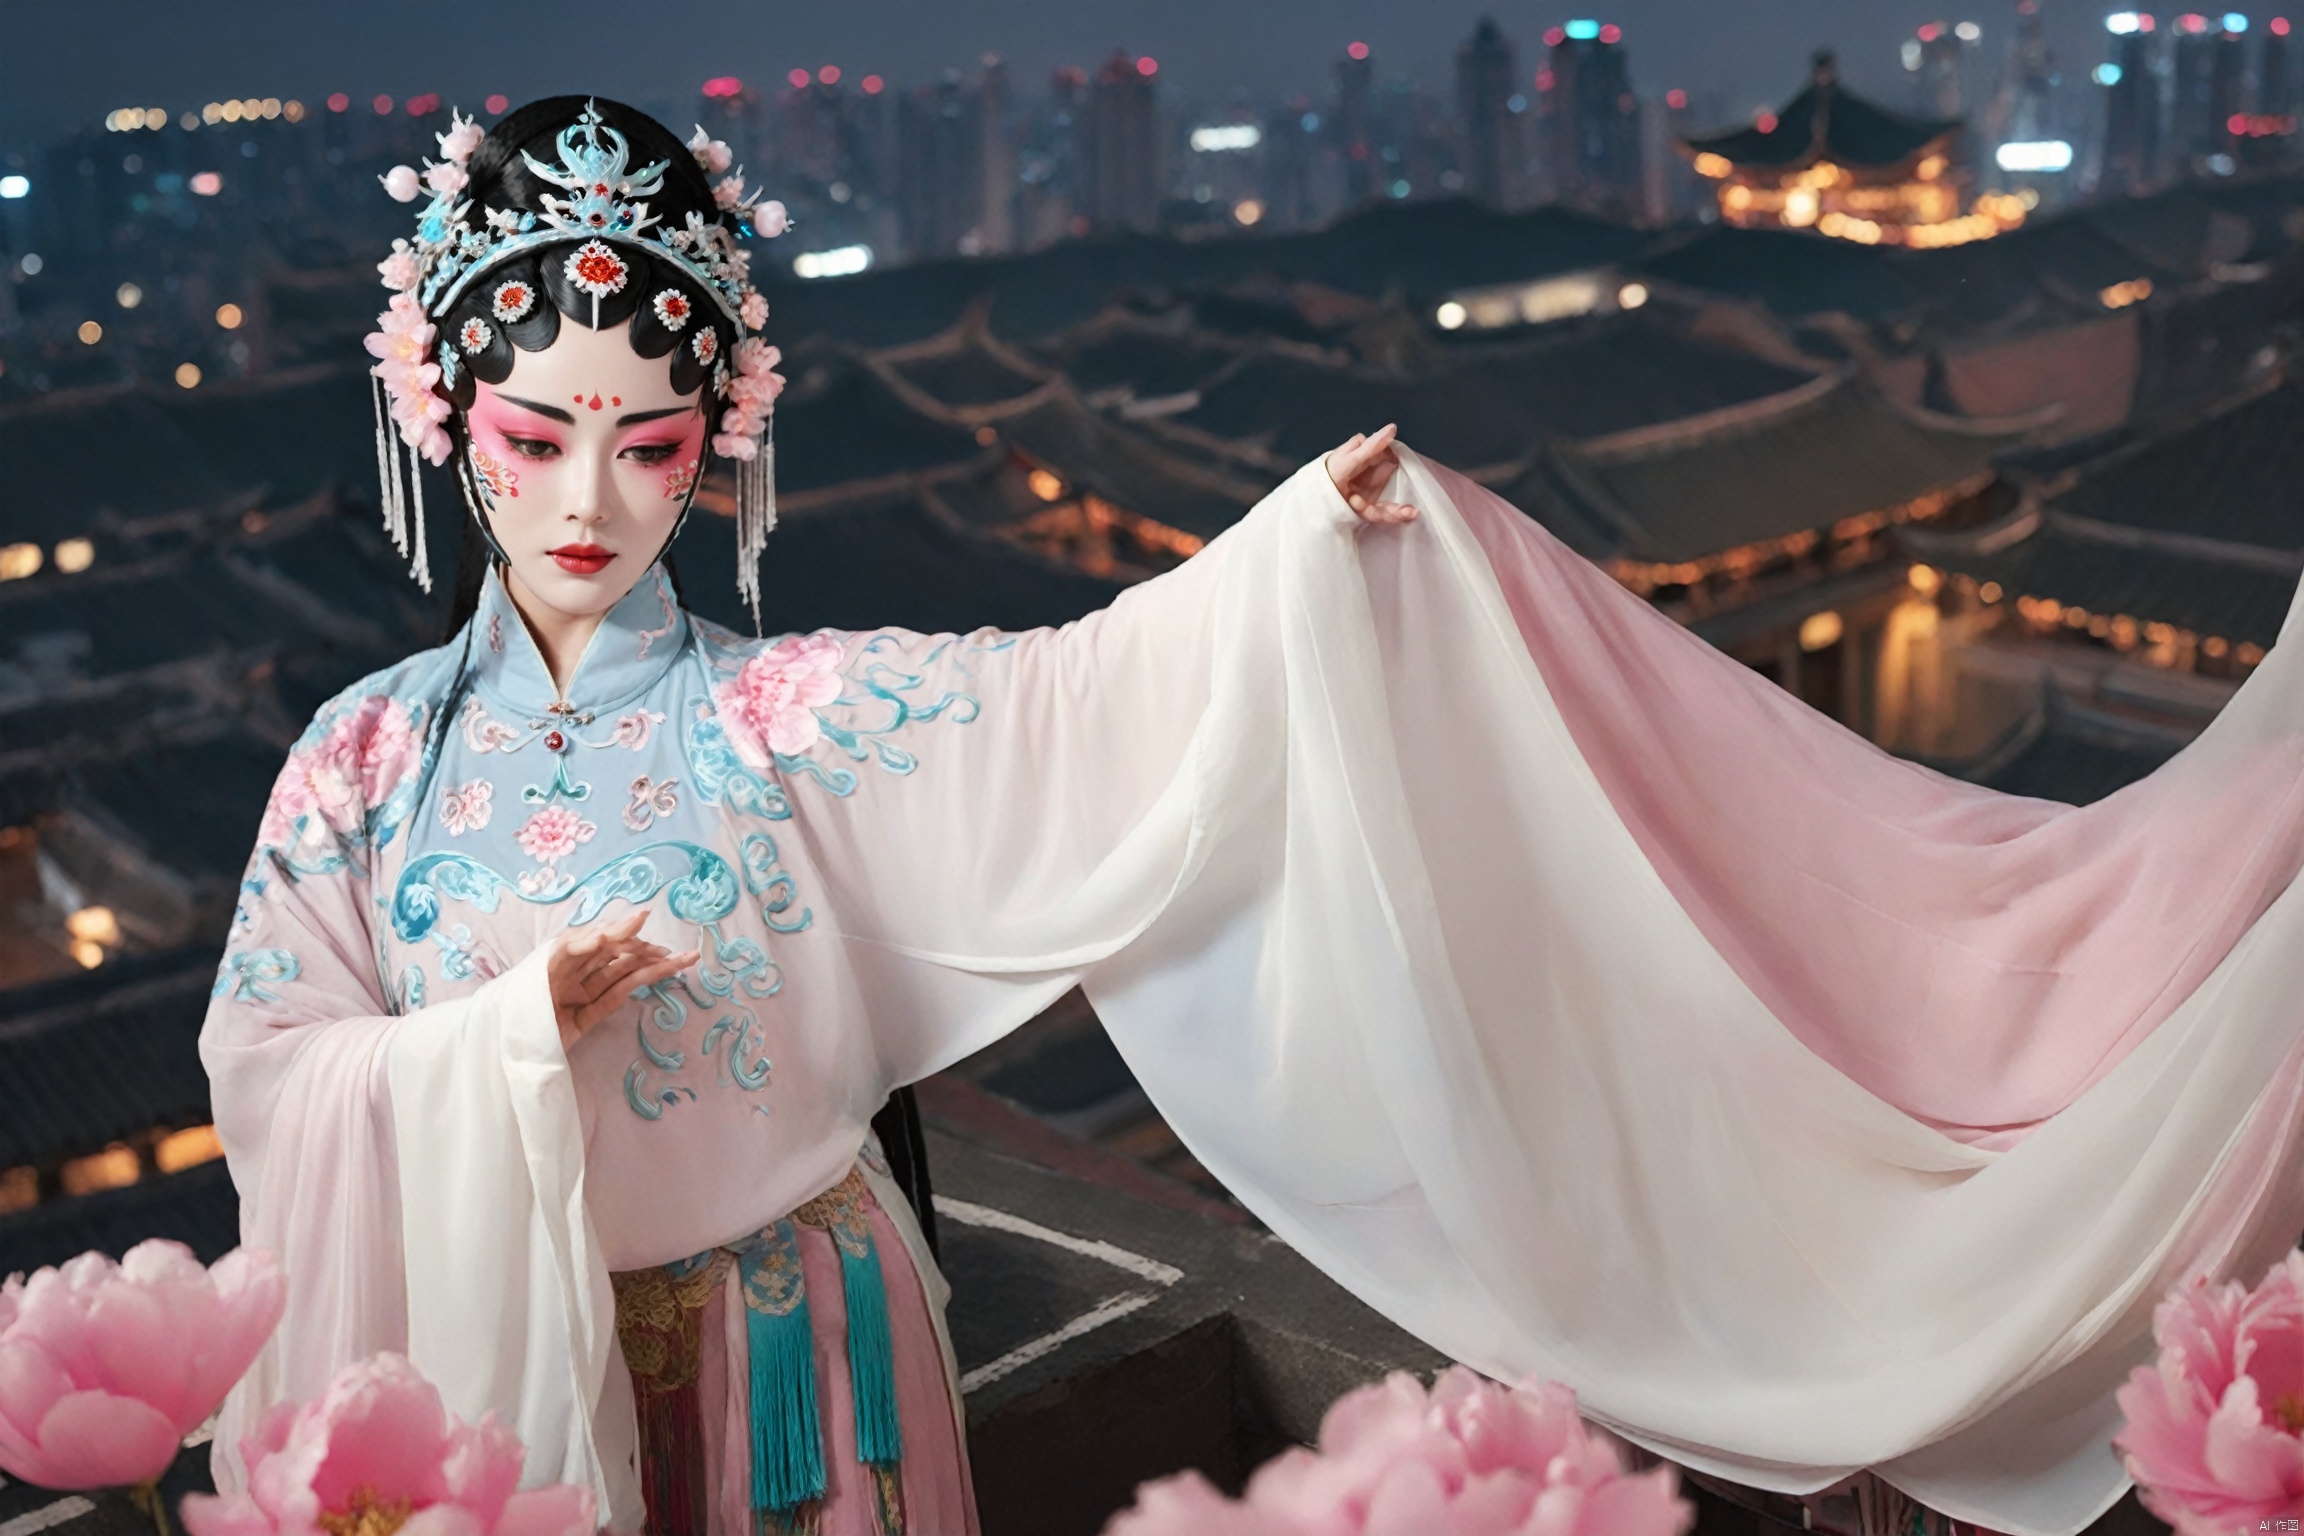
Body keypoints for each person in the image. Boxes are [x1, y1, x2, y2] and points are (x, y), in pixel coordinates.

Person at [203, 95, 2304, 1536]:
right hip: (504, 1406)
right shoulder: (359, 770)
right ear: (438, 416)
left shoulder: (794, 717)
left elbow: (1092, 700)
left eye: (649, 441)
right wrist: (487, 1052)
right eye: (533, 433)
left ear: (714, 445)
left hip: (798, 1366)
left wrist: (1303, 557)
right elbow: (266, 1069)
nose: (589, 500)